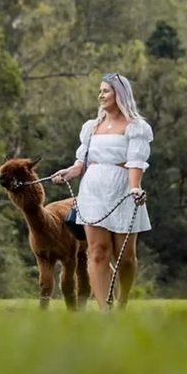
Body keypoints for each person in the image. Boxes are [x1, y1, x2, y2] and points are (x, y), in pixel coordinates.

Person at [51, 73, 152, 311]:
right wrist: (70, 172)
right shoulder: (91, 127)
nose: (101, 95)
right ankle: (105, 312)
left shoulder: (135, 127)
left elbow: (136, 161)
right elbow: (83, 161)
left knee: (124, 257)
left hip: (122, 190)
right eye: (100, 91)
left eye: (106, 91)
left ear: (120, 94)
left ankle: (122, 301)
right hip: (92, 191)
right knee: (97, 252)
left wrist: (135, 187)